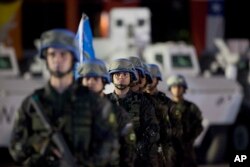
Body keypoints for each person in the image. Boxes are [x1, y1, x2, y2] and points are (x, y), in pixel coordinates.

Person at [9, 29, 118, 167]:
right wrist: (39, 144)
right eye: (52, 54)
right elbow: (15, 149)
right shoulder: (33, 103)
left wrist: (82, 162)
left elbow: (109, 146)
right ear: (46, 58)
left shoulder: (95, 103)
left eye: (63, 54)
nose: (57, 59)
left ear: (73, 58)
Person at [77, 59, 136, 167]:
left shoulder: (118, 114)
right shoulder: (72, 112)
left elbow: (128, 154)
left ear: (103, 81)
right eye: (87, 78)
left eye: (95, 78)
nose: (91, 82)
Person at [106, 58, 160, 167]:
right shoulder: (104, 102)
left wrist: (139, 147)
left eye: (125, 74)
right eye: (117, 75)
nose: (121, 77)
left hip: (137, 160)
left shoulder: (143, 102)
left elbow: (153, 129)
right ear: (111, 77)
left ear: (131, 77)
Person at [166, 74, 203, 167]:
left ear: (184, 88)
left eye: (179, 86)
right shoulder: (165, 107)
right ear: (170, 89)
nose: (177, 89)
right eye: (174, 86)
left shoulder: (191, 107)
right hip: (171, 151)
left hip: (187, 150)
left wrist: (189, 138)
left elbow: (199, 125)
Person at [145, 64, 174, 167]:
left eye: (151, 78)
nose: (148, 81)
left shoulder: (166, 102)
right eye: (146, 77)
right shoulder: (138, 100)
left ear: (157, 79)